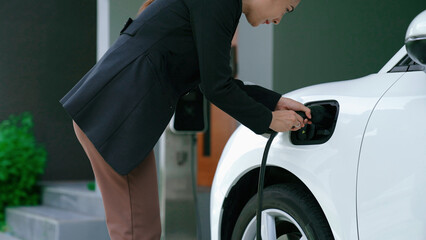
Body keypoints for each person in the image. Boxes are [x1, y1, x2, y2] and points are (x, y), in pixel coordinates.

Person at [60, 0, 310, 238]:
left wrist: (274, 102)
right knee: (137, 232)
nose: (278, 20)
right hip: (115, 115)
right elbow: (216, 87)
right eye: (287, 8)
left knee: (139, 230)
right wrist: (268, 120)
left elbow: (210, 81)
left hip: (114, 112)